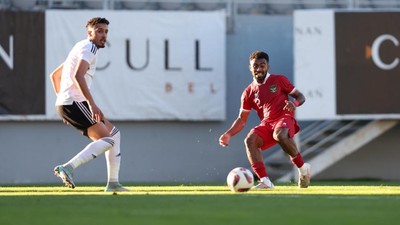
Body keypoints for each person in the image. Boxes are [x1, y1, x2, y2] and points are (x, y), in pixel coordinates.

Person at [49, 17, 128, 192]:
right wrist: (91, 105)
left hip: (69, 103)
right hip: (75, 102)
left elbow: (54, 76)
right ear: (89, 33)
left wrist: (63, 102)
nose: (104, 35)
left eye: (106, 31)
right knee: (107, 140)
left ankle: (113, 183)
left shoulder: (80, 46)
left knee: (114, 135)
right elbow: (78, 76)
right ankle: (68, 167)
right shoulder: (90, 47)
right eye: (99, 31)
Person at [219, 50, 311, 189]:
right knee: (250, 141)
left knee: (279, 134)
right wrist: (229, 134)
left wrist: (295, 104)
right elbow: (242, 119)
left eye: (262, 65)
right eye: (255, 66)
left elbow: (300, 96)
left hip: (284, 117)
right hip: (267, 124)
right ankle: (265, 181)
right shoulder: (248, 92)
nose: (259, 69)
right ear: (250, 68)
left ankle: (303, 169)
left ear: (267, 67)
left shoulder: (279, 80)